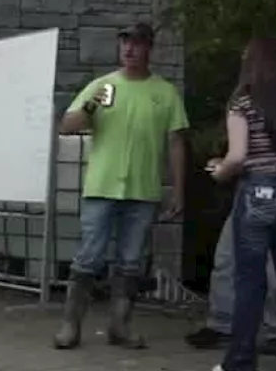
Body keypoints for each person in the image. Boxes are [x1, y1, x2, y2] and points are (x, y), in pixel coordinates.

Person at [54, 23, 189, 350]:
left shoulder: (165, 92)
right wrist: (92, 105)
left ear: (149, 49)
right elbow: (68, 126)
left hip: (142, 192)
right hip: (101, 188)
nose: (129, 50)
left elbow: (176, 143)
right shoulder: (101, 86)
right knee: (89, 258)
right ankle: (69, 326)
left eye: (137, 44)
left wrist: (179, 191)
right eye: (125, 43)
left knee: (131, 261)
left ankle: (120, 326)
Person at [187, 42, 276, 354]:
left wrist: (226, 168)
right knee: (229, 259)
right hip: (264, 189)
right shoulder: (253, 98)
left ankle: (266, 337)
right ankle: (224, 325)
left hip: (268, 190)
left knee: (265, 273)